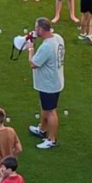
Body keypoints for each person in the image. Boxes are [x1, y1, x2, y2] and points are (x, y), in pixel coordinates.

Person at [27, 17, 65, 150]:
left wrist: (30, 49)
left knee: (50, 111)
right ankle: (42, 129)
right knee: (45, 107)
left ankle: (51, 139)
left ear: (42, 30)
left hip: (49, 84)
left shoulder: (47, 46)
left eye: (37, 28)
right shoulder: (58, 38)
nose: (35, 30)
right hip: (54, 80)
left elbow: (33, 64)